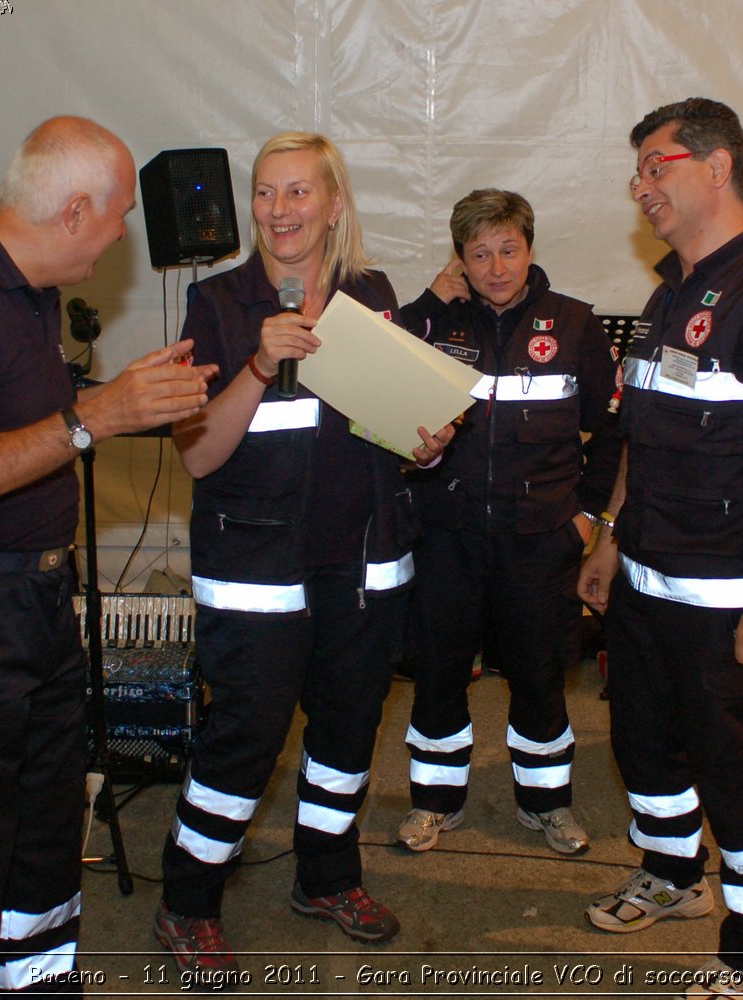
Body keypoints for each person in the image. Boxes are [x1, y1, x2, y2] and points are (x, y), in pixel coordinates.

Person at [0, 116, 215, 996]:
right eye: (117, 215)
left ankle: (38, 981)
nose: (121, 235)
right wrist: (100, 416)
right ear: (72, 212)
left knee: (45, 823)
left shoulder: (31, 294)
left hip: (33, 607)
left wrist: (126, 397)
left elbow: (32, 423)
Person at [158, 131, 452, 977]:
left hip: (362, 566)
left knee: (348, 733)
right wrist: (257, 362)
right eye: (264, 192)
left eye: (297, 193)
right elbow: (200, 456)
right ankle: (188, 901)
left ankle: (327, 878)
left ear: (333, 205)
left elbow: (383, 427)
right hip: (256, 573)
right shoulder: (219, 302)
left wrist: (421, 444)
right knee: (244, 742)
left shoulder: (372, 294)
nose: (280, 210)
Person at [577, 98, 743, 999]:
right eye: (638, 169)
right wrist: (607, 534)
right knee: (643, 745)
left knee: (735, 770)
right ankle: (672, 875)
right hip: (643, 576)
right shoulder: (667, 293)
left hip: (726, 593)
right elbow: (642, 432)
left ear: (717, 168)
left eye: (657, 164)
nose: (641, 185)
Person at [393, 189, 621, 856]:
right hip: (445, 538)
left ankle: (546, 806)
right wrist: (431, 307)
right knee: (437, 675)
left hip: (539, 542)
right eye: (479, 253)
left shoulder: (575, 325)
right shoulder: (434, 323)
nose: (496, 266)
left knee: (541, 680)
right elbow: (380, 384)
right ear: (459, 259)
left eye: (509, 250)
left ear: (530, 248)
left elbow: (612, 436)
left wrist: (585, 520)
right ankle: (434, 803)